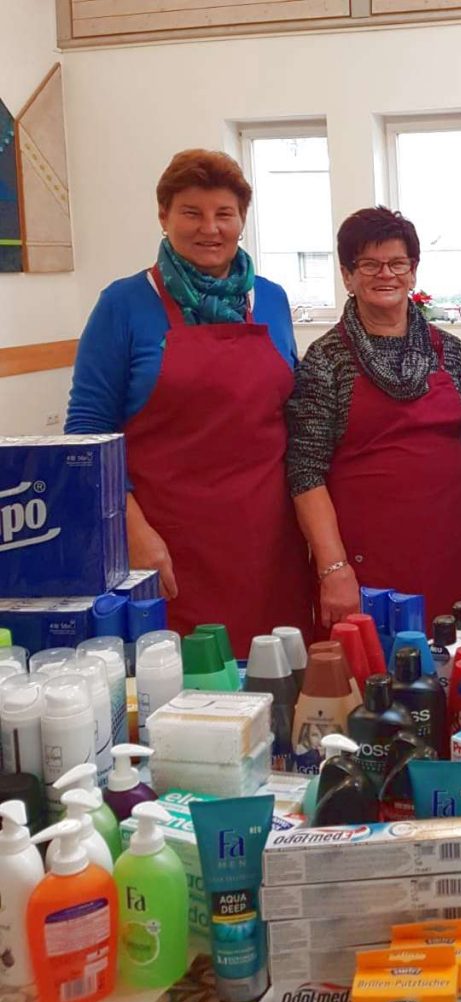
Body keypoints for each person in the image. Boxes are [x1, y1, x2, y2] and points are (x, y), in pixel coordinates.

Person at [66, 149, 311, 651]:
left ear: (242, 220)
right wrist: (132, 532)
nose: (210, 228)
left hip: (269, 544)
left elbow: (292, 412)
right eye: (191, 213)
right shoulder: (124, 304)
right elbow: (88, 434)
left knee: (277, 675)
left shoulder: (271, 298)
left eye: (224, 213)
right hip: (168, 546)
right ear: (164, 216)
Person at [287, 206, 461, 631]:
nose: (386, 275)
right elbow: (305, 472)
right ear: (347, 276)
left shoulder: (451, 352)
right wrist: (333, 566)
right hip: (366, 562)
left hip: (454, 552)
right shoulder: (326, 359)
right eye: (369, 264)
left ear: (413, 272)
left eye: (398, 263)